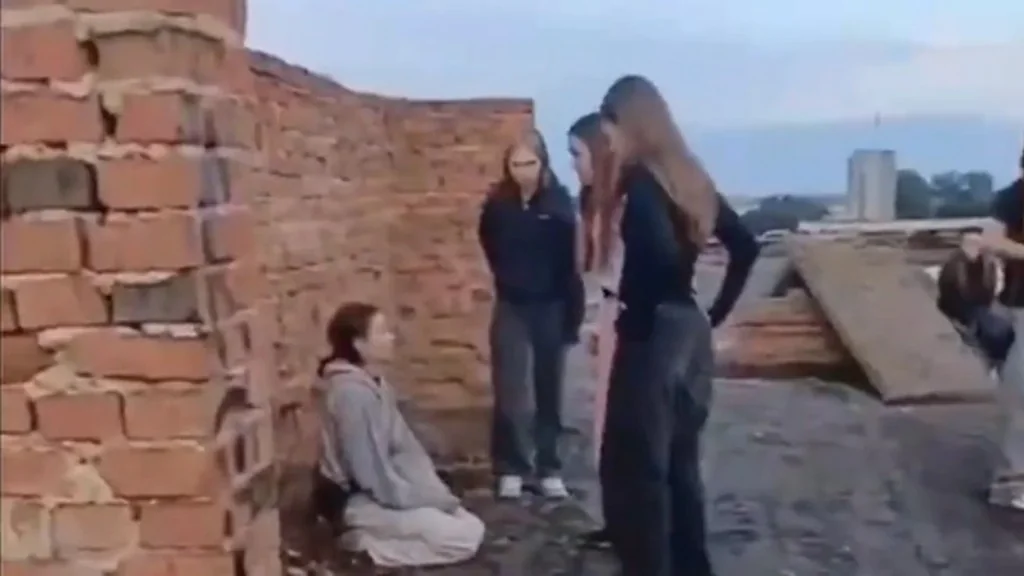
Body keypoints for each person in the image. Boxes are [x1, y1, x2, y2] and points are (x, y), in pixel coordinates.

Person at [588, 75, 760, 576]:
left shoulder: (641, 182)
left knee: (641, 473)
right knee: (681, 467)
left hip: (653, 336)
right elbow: (745, 246)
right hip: (689, 330)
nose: (608, 142)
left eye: (609, 130)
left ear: (627, 124)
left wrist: (635, 314)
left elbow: (659, 254)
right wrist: (712, 314)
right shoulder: (689, 178)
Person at [314, 302, 485, 567]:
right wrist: (419, 501)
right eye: (382, 332)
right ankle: (365, 549)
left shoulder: (379, 385)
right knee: (460, 538)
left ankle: (371, 542)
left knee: (472, 526)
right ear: (360, 345)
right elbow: (371, 475)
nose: (391, 338)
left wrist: (433, 493)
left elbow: (406, 450)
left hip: (390, 491)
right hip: (356, 501)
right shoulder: (350, 394)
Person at [478, 131, 584, 500]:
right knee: (510, 389)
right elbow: (489, 243)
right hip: (512, 304)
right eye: (516, 164)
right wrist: (508, 278)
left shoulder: (559, 204)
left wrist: (572, 316)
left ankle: (549, 465)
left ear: (543, 163)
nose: (523, 171)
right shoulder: (497, 206)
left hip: (551, 304)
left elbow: (571, 264)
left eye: (530, 163)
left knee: (548, 388)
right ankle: (511, 466)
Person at [567, 112, 622, 550]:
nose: (573, 164)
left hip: (627, 314)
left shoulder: (628, 203)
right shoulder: (594, 202)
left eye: (577, 154)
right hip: (611, 311)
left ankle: (632, 525)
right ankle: (617, 519)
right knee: (604, 423)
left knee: (625, 423)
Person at [961, 144, 1024, 511]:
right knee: (1021, 391)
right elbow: (990, 238)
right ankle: (1013, 481)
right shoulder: (1014, 197)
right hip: (1020, 303)